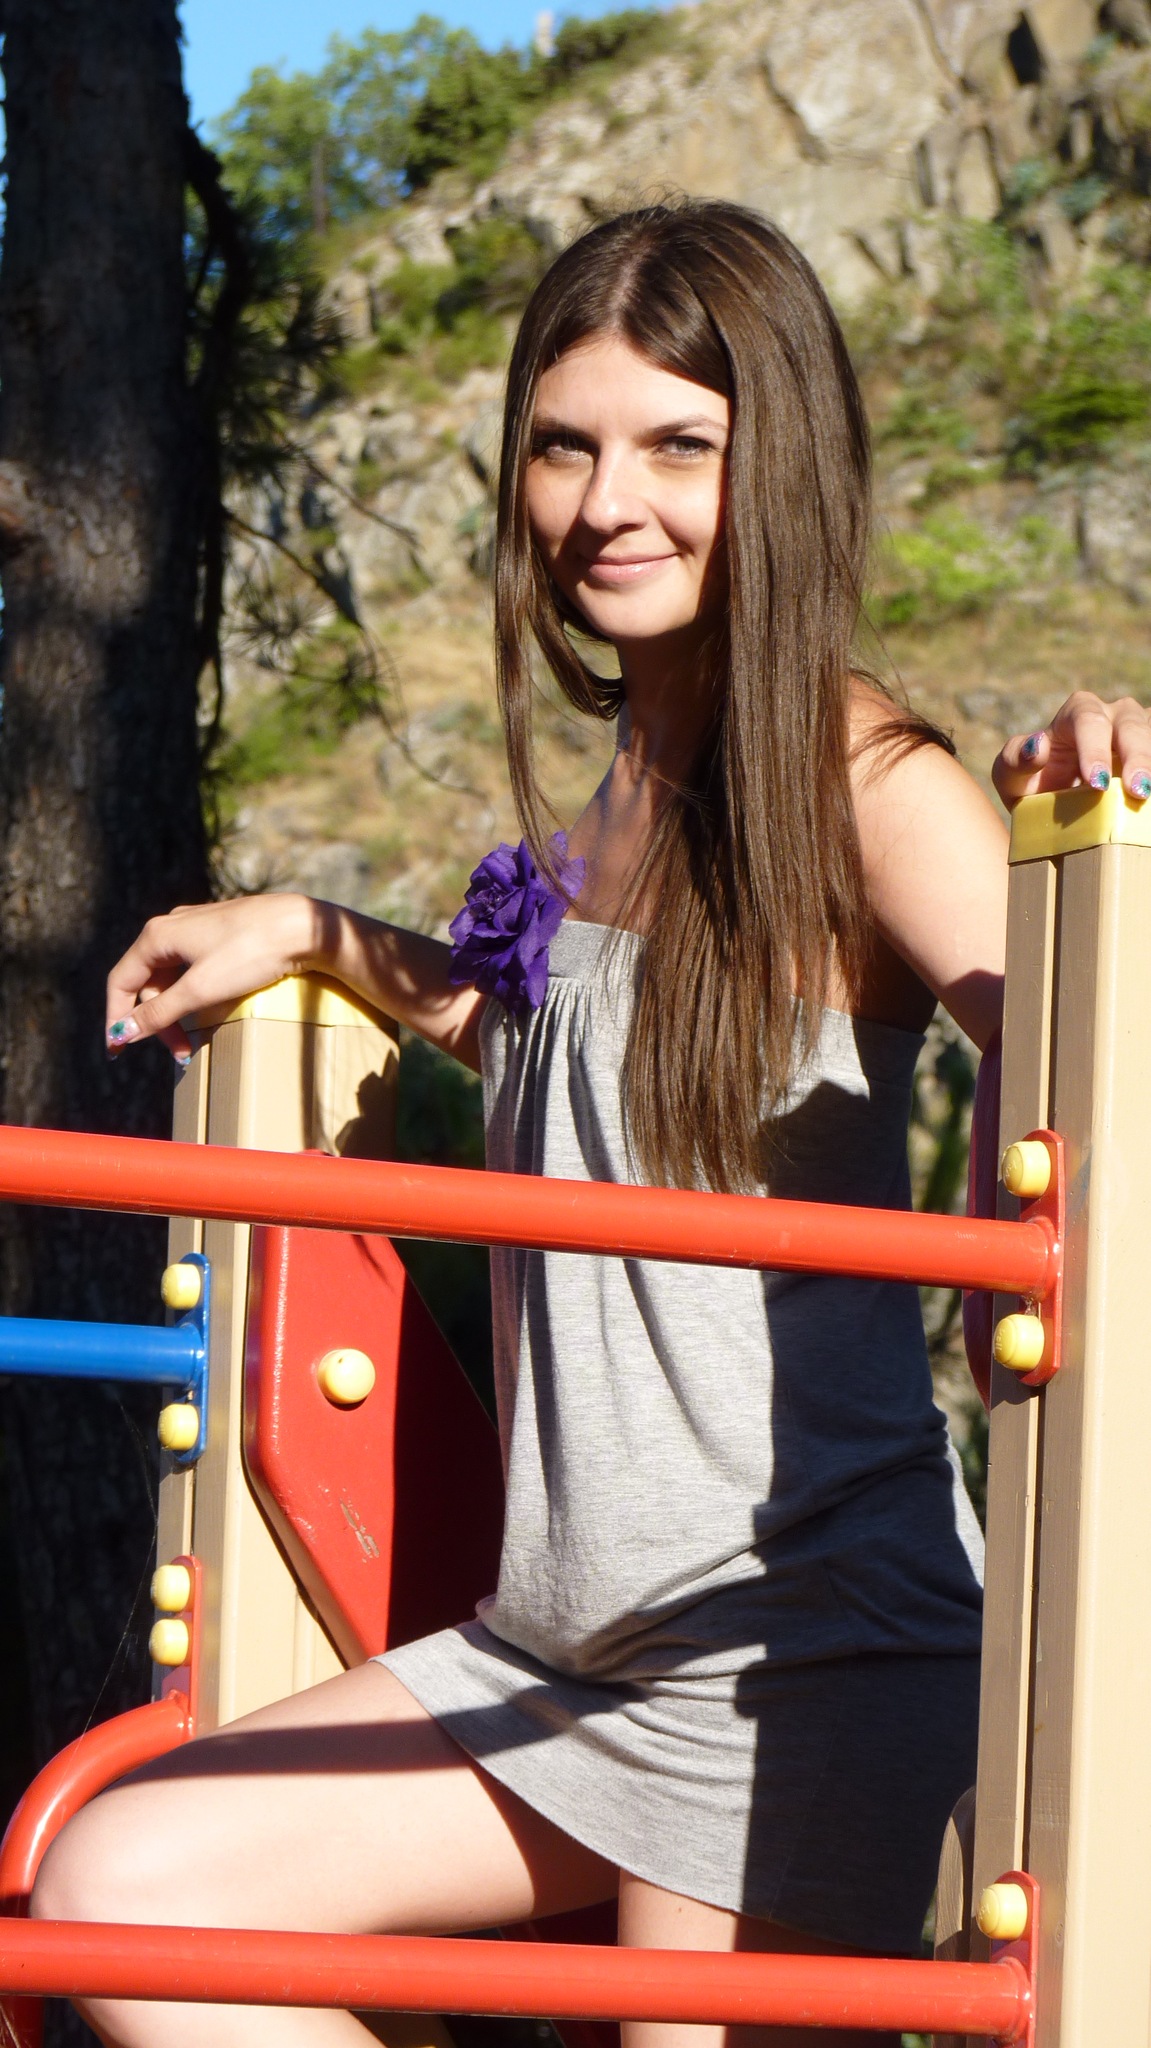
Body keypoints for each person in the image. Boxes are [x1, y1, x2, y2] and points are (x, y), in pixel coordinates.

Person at [33, 200, 1151, 2048]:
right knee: (121, 1894)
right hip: (557, 1648)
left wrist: (1101, 789)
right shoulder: (630, 776)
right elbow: (555, 1035)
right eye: (565, 446)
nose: (608, 502)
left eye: (678, 446)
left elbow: (1094, 1039)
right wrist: (317, 933)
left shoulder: (865, 779)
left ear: (780, 465)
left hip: (787, 1656)